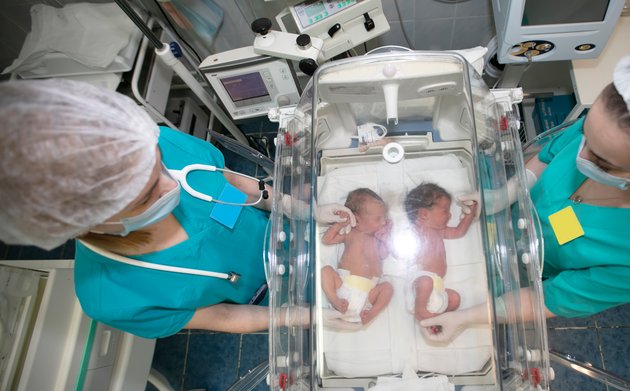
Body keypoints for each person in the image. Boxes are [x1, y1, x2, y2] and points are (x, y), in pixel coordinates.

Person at [422, 39, 630, 341]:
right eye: (587, 134)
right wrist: (507, 194)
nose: (581, 155)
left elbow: (549, 298)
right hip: (509, 221)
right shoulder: (614, 123)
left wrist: (468, 318)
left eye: (602, 159)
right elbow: (550, 155)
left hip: (524, 271)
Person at [0, 78, 351, 339]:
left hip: (284, 231)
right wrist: (301, 316)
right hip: (267, 300)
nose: (173, 185)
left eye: (159, 166)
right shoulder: (111, 296)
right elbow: (224, 317)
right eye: (146, 196)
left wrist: (297, 207)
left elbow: (236, 185)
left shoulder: (166, 145)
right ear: (88, 223)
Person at [404, 182, 478, 321]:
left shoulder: (440, 231)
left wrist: (470, 214)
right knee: (425, 281)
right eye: (445, 211)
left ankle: (436, 318)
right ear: (424, 214)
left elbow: (458, 232)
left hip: (437, 286)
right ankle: (420, 310)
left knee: (455, 298)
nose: (450, 215)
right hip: (419, 284)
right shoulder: (416, 230)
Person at [320, 188, 394, 325]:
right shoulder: (350, 234)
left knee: (388, 288)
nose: (383, 222)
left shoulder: (377, 239)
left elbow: (384, 254)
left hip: (370, 294)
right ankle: (333, 299)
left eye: (384, 217)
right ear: (357, 221)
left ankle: (373, 312)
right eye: (378, 219)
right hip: (344, 287)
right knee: (326, 271)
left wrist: (385, 237)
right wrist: (340, 224)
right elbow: (327, 240)